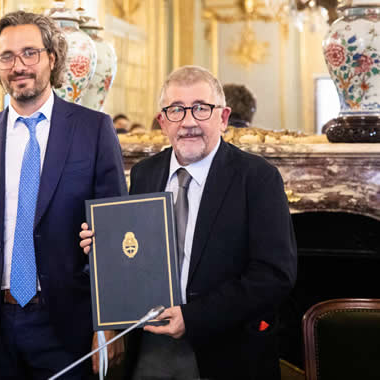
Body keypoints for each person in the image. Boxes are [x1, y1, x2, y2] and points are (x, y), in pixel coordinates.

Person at [80, 66, 297, 379]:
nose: (189, 121)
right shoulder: (145, 173)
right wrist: (104, 248)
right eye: (177, 110)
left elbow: (275, 274)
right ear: (162, 121)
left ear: (222, 118)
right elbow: (135, 253)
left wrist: (194, 317)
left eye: (201, 108)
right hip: (150, 348)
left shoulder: (257, 178)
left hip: (227, 351)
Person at [0, 10, 127, 380]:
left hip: (69, 327)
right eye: (7, 56)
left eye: (30, 53)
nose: (19, 66)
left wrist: (109, 323)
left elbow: (115, 229)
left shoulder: (94, 130)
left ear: (52, 58)